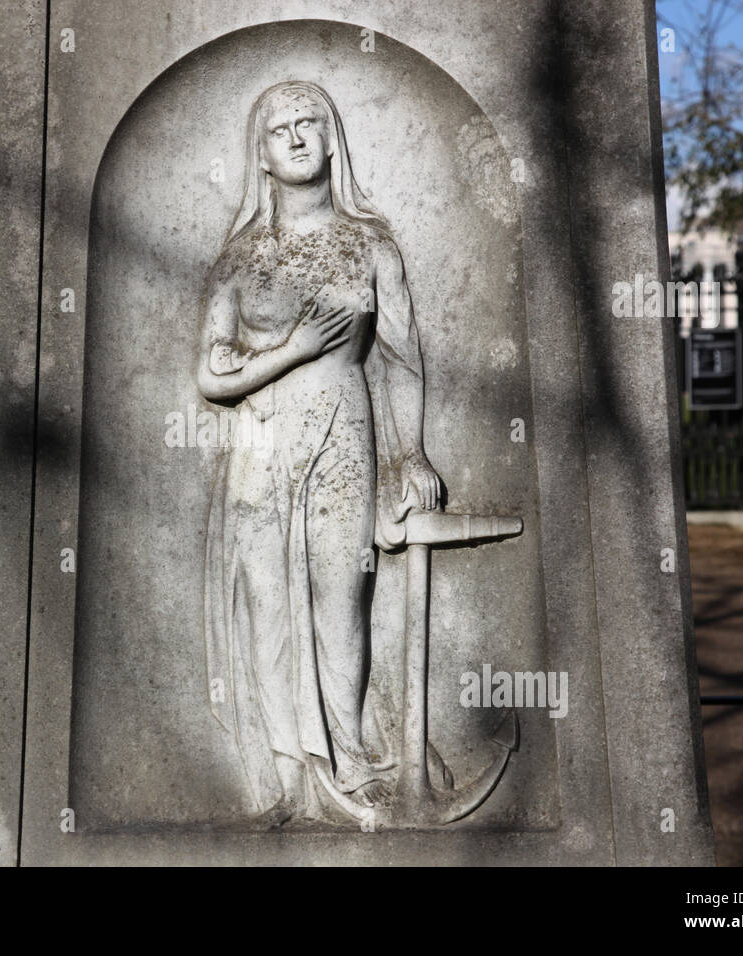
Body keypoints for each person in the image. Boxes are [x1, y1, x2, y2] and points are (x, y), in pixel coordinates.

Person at [197, 81, 440, 824]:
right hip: (260, 443)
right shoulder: (241, 260)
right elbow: (211, 374)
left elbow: (401, 359)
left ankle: (347, 761)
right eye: (280, 130)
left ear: (332, 138)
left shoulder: (369, 244)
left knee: (344, 600)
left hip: (344, 432)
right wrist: (292, 351)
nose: (298, 138)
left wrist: (413, 455)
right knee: (270, 607)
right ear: (262, 155)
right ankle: (283, 780)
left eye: (311, 124)